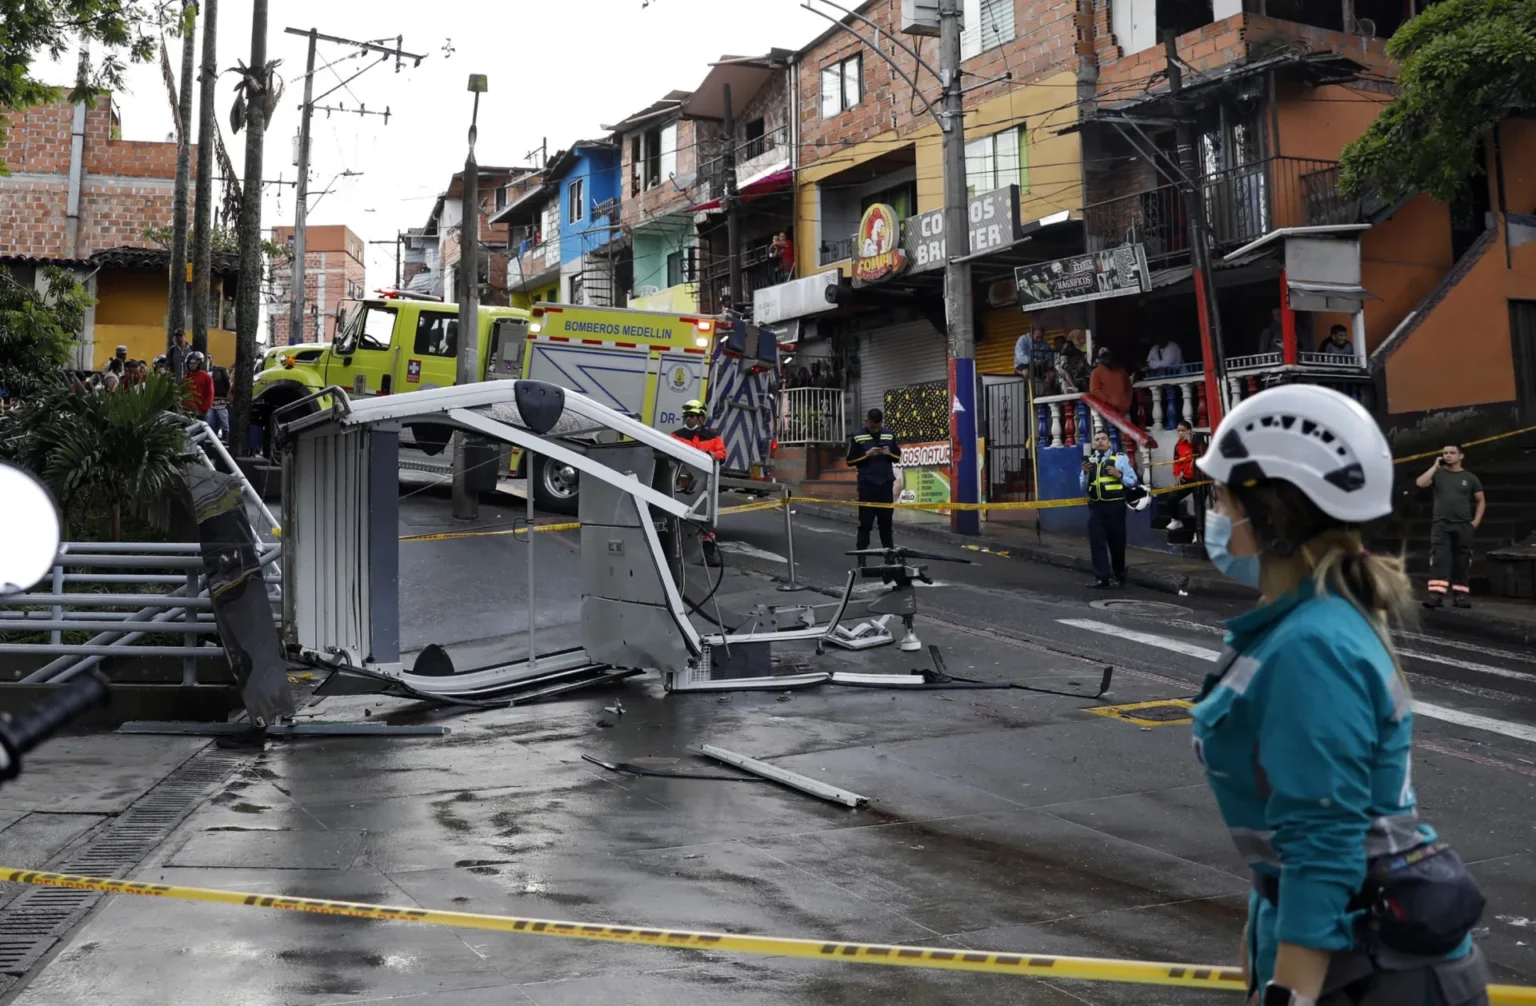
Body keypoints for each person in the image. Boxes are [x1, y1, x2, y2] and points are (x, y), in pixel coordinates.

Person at [1192, 384, 1488, 1006]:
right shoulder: (1302, 622)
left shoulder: (1311, 647)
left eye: (1220, 497)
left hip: (1363, 970)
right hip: (1342, 949)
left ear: (1269, 515)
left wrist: (1289, 995)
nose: (1214, 513)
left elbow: (1324, 846)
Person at [1417, 444, 1485, 609]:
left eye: (1452, 453)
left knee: (1462, 560)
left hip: (1463, 526)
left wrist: (1475, 522)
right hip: (1442, 525)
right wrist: (1434, 466)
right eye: (1445, 453)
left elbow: (1481, 501)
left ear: (1461, 456)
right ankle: (1436, 596)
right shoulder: (1438, 474)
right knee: (1439, 559)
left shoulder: (1470, 478)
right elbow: (1421, 483)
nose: (1448, 455)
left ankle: (1460, 596)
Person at [1080, 429, 1138, 588]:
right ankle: (1101, 577)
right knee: (1096, 542)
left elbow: (1133, 481)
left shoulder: (1119, 459)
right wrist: (1085, 474)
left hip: (1115, 506)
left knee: (1117, 542)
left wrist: (1119, 475)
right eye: (1097, 439)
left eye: (1103, 438)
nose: (1100, 441)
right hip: (1096, 507)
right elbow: (1082, 487)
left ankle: (1119, 576)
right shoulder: (1090, 461)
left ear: (1109, 442)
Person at [846, 408, 901, 561]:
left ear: (881, 422)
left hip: (885, 484)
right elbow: (850, 461)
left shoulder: (889, 434)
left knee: (886, 525)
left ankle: (889, 559)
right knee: (865, 524)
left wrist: (889, 453)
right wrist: (866, 455)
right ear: (867, 422)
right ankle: (861, 558)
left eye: (878, 426)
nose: (875, 428)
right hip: (867, 485)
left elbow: (897, 457)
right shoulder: (858, 436)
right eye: (872, 426)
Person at [1164, 420, 1197, 532]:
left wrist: (1191, 443)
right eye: (1179, 431)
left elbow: (1201, 455)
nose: (1181, 433)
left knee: (1199, 506)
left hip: (1199, 478)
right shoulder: (1178, 446)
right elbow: (1176, 463)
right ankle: (1176, 520)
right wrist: (1177, 475)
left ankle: (1199, 532)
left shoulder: (1197, 442)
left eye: (1183, 430)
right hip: (1186, 478)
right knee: (1172, 497)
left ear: (1189, 431)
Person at [1089, 347, 1134, 416]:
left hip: (1124, 411)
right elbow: (1095, 390)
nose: (1106, 359)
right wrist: (1110, 401)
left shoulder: (1121, 371)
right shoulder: (1096, 373)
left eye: (1107, 356)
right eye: (1103, 357)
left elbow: (1129, 388)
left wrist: (1127, 403)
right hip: (1108, 412)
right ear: (1099, 359)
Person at [184, 351, 215, 421]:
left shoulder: (206, 377)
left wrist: (204, 409)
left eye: (194, 363)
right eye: (190, 363)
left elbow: (210, 394)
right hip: (186, 412)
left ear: (200, 364)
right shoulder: (185, 378)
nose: (191, 365)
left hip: (200, 412)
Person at [208, 362, 232, 442]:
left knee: (222, 420)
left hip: (221, 402)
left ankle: (225, 436)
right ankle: (221, 436)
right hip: (216, 402)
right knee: (212, 420)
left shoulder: (221, 380)